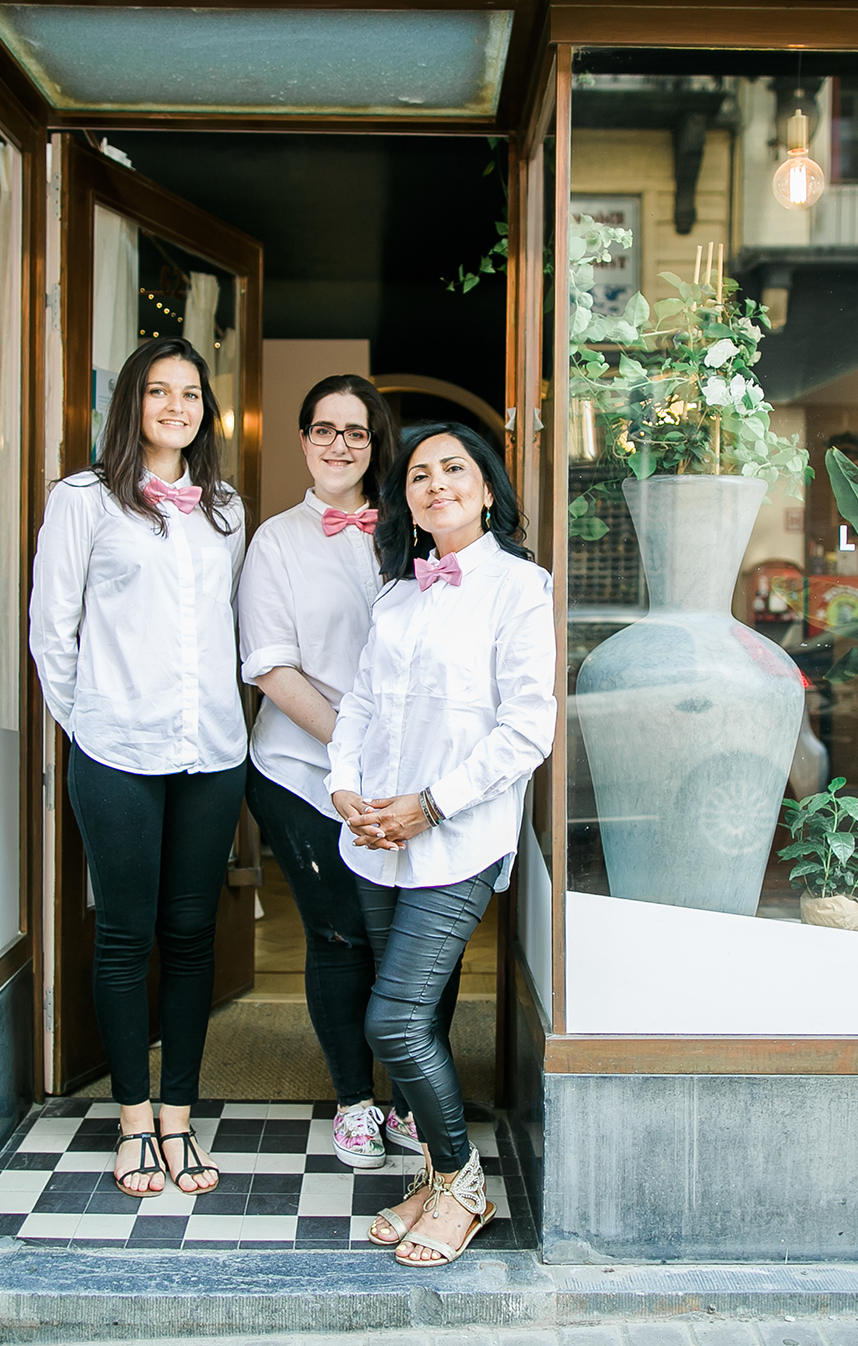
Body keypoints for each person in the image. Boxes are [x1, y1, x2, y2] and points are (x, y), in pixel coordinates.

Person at [327, 422, 555, 1267]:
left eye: (454, 469)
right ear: (406, 502)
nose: (435, 484)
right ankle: (431, 1174)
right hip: (374, 837)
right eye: (418, 475)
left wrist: (430, 804)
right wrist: (343, 788)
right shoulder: (396, 593)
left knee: (391, 1020)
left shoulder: (521, 588)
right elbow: (359, 705)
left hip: (456, 840)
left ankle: (463, 1181)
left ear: (488, 490)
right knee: (412, 1017)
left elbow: (528, 728)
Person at [29, 336, 245, 1200]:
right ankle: (131, 1118)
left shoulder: (225, 507)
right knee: (124, 935)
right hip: (116, 749)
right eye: (159, 391)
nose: (176, 406)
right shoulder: (83, 500)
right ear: (131, 403)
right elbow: (55, 631)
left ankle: (180, 1115)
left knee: (192, 936)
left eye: (191, 393)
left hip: (211, 753)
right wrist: (90, 725)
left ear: (205, 409)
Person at [238, 377, 468, 1172]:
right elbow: (270, 668)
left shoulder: (420, 532)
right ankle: (353, 1102)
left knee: (415, 939)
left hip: (415, 786)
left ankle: (409, 1096)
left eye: (357, 432)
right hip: (304, 771)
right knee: (339, 936)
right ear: (302, 439)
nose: (339, 444)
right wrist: (357, 752)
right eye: (324, 429)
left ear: (380, 445)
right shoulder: (274, 542)